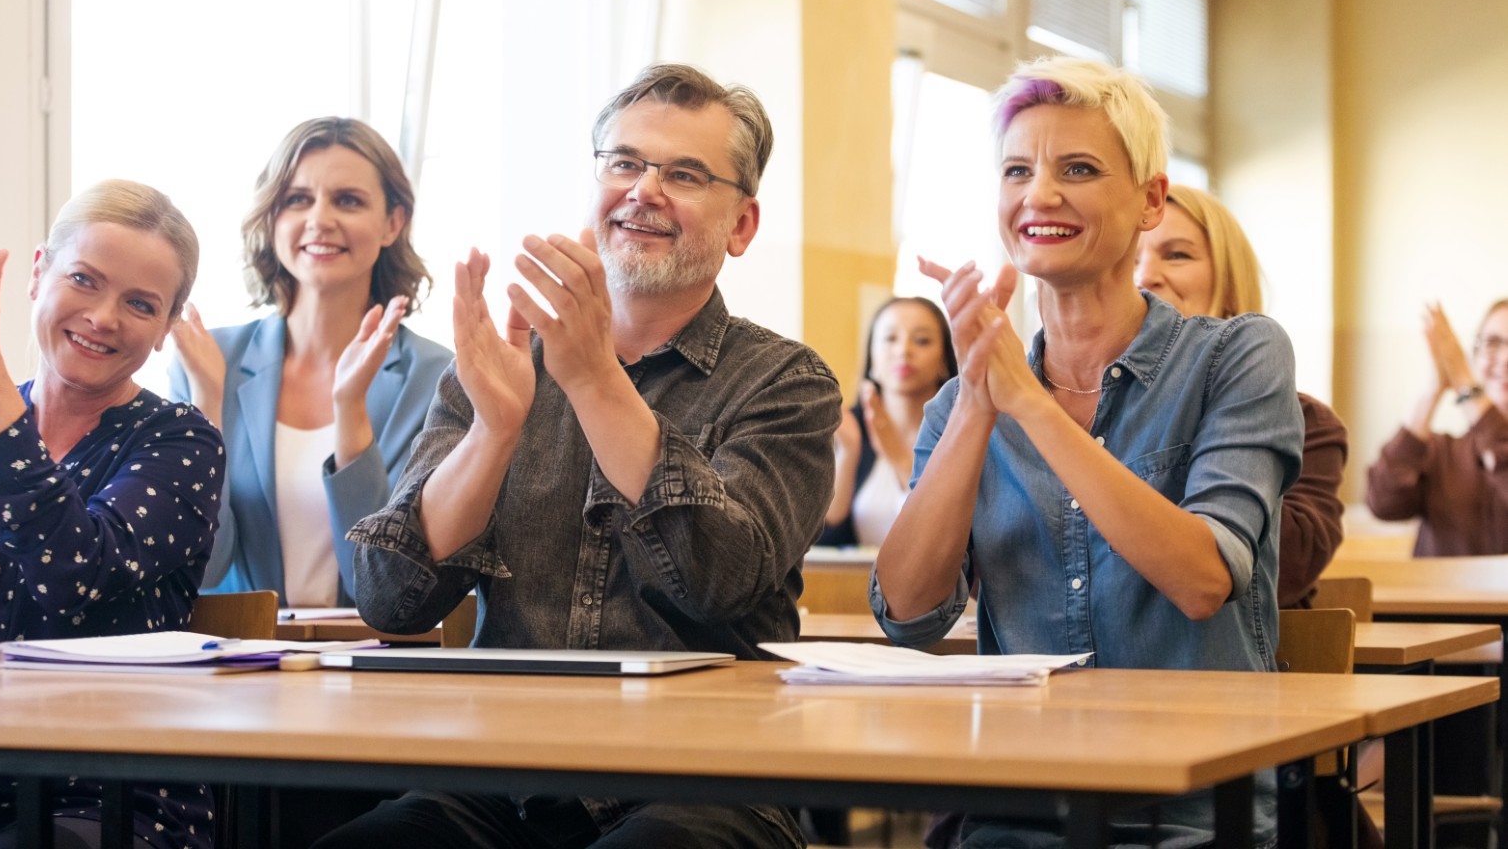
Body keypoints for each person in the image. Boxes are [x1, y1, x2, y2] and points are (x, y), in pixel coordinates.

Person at [314, 64, 841, 849]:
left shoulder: (786, 383)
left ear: (742, 226)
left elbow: (717, 581)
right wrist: (493, 433)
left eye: (685, 174)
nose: (644, 189)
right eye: (624, 162)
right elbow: (392, 602)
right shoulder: (500, 370)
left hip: (707, 786)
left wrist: (594, 380)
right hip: (501, 781)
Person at [873, 58, 1303, 849]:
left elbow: (1203, 578)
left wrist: (1029, 404)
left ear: (1149, 201)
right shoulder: (964, 396)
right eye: (1017, 171)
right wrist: (976, 401)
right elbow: (906, 615)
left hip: (1197, 813)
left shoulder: (1238, 358)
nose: (1039, 195)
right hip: (1019, 811)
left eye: (1078, 169)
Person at [0, 184, 224, 849]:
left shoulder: (180, 440)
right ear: (38, 273)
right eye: (83, 280)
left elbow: (70, 570)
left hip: (106, 798)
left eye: (140, 304)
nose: (103, 317)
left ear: (165, 330)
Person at [169, 117, 451, 608]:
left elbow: (390, 581)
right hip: (238, 663)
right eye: (297, 199)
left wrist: (350, 408)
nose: (320, 219)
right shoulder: (207, 362)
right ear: (272, 218)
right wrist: (207, 406)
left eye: (348, 200)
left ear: (393, 223)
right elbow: (204, 569)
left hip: (377, 664)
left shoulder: (435, 379)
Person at [1135, 182, 1346, 608]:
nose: (1145, 276)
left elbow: (1288, 568)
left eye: (1177, 254)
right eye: (1130, 257)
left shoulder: (1310, 423)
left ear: (1231, 287)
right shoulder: (1078, 405)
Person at [1365, 300, 1508, 555]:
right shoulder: (1442, 453)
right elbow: (1382, 502)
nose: (1506, 359)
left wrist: (1465, 382)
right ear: (1474, 358)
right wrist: (1433, 388)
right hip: (1442, 595)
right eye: (1493, 343)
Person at [821, 296, 957, 546]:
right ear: (872, 358)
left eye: (922, 340)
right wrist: (848, 453)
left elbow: (957, 537)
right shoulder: (845, 427)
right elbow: (822, 538)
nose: (904, 350)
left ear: (944, 359)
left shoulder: (963, 433)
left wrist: (900, 459)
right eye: (890, 338)